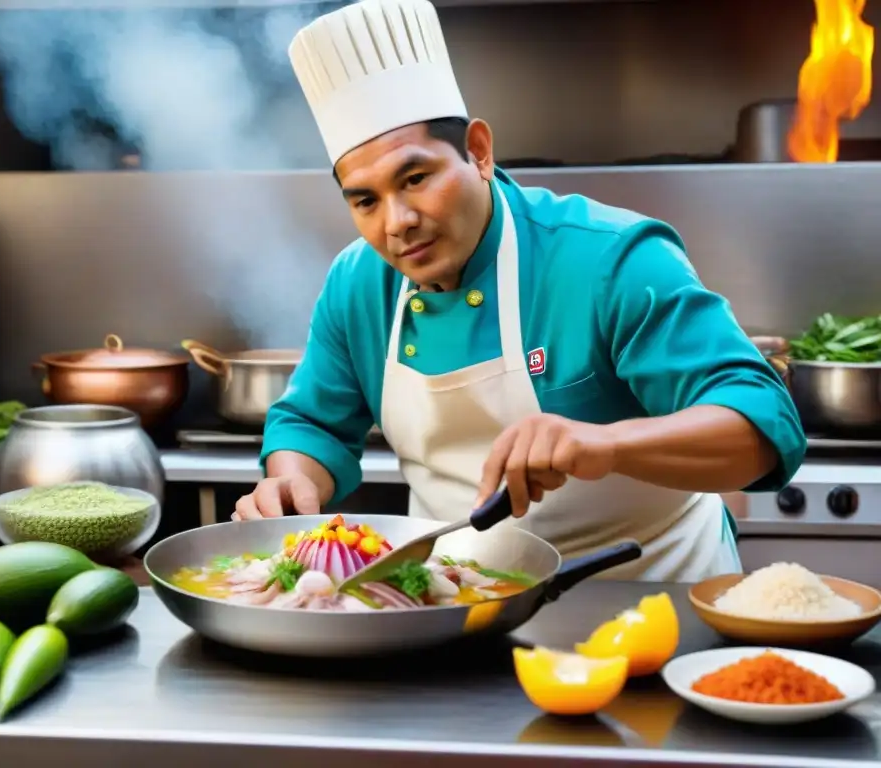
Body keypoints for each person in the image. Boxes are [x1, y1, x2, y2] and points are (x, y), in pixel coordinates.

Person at [233, 0, 806, 581]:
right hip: (459, 603)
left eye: (416, 178)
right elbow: (311, 424)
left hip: (650, 601)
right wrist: (292, 479)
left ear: (478, 151)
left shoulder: (608, 258)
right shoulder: (358, 283)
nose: (396, 221)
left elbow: (761, 425)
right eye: (365, 200)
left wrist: (605, 445)